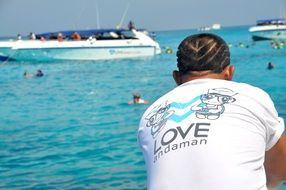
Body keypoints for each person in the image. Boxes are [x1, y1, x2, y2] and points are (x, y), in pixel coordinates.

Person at [138, 33, 286, 190]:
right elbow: (280, 169)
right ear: (229, 72)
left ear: (176, 77)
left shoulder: (150, 115)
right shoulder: (252, 96)